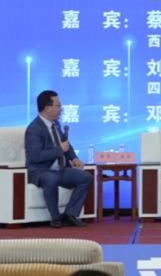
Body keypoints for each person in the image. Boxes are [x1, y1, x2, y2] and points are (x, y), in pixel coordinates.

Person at [24, 89, 93, 228]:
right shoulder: (34, 129)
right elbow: (36, 156)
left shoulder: (56, 124)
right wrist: (60, 150)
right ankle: (55, 218)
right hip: (40, 171)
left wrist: (74, 158)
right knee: (51, 178)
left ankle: (70, 214)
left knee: (85, 177)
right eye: (58, 105)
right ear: (47, 108)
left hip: (59, 170)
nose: (61, 109)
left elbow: (66, 145)